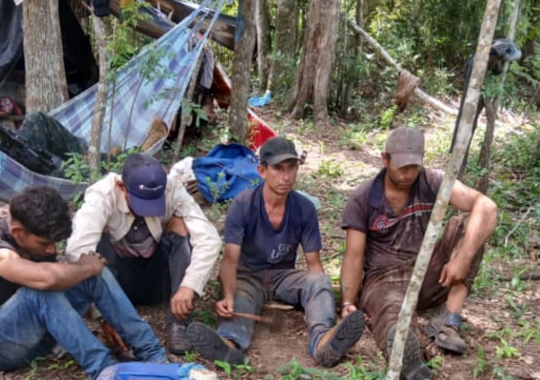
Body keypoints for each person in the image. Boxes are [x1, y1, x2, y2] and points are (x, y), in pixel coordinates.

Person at [0, 186, 168, 379]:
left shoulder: (36, 238)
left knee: (95, 274)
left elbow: (66, 277)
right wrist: (84, 267)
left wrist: (104, 313)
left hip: (39, 338)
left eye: (55, 243)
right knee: (41, 290)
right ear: (18, 232)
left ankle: (153, 353)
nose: (52, 250)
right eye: (45, 244)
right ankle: (105, 370)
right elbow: (47, 279)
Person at [186, 136, 365, 367]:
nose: (287, 176)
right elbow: (230, 260)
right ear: (262, 171)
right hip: (248, 276)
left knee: (319, 281)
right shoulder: (243, 205)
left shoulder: (304, 208)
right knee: (239, 298)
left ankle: (323, 342)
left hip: (284, 276)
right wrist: (227, 295)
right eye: (279, 169)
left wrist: (323, 294)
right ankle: (229, 345)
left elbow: (314, 263)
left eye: (292, 168)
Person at [340, 127, 498, 380]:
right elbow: (353, 256)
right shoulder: (363, 197)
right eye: (401, 167)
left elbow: (487, 207)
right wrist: (348, 302)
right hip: (384, 278)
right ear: (385, 159)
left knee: (469, 226)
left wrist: (462, 257)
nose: (408, 174)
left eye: (414, 167)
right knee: (393, 314)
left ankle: (448, 320)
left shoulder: (432, 181)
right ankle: (406, 354)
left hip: (427, 271)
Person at [65, 153, 221, 355]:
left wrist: (188, 287)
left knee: (181, 225)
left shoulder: (172, 189)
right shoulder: (103, 195)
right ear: (122, 186)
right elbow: (76, 251)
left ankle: (180, 322)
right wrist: (101, 314)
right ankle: (113, 319)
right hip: (117, 283)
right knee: (92, 245)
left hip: (157, 276)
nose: (146, 211)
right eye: (140, 203)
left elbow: (209, 238)